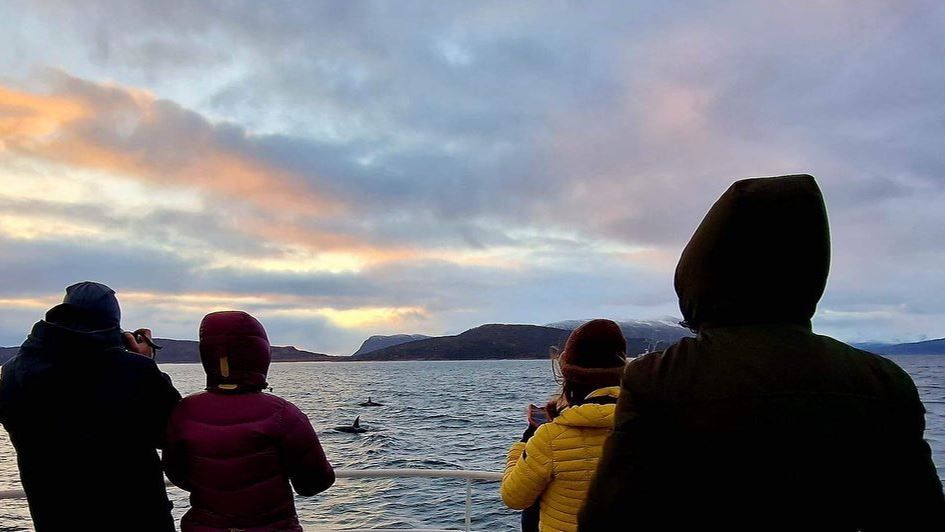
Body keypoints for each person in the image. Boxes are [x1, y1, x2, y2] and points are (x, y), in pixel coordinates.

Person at [579, 175, 945, 530]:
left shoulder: (660, 378)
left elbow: (609, 517)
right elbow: (920, 513)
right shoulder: (884, 383)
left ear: (699, 271)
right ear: (811, 270)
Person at [0, 281, 181, 531]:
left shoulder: (13, 373)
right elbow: (169, 433)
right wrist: (144, 364)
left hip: (55, 518)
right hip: (137, 516)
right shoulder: (136, 372)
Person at [163, 310, 335, 531]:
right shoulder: (283, 414)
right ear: (260, 354)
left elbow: (176, 473)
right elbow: (314, 483)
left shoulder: (184, 411)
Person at [500, 319, 627, 532]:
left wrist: (523, 445)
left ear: (567, 378)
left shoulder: (550, 437)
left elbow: (514, 498)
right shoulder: (659, 428)